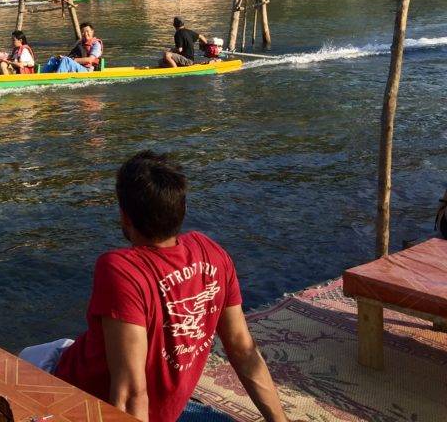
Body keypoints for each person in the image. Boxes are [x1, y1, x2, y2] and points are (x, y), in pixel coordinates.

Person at [20, 151, 288, 422]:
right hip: (150, 404)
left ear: (125, 216)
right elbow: (243, 349)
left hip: (79, 395)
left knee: (23, 364)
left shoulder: (121, 269)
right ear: (181, 209)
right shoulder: (212, 253)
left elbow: (130, 393)